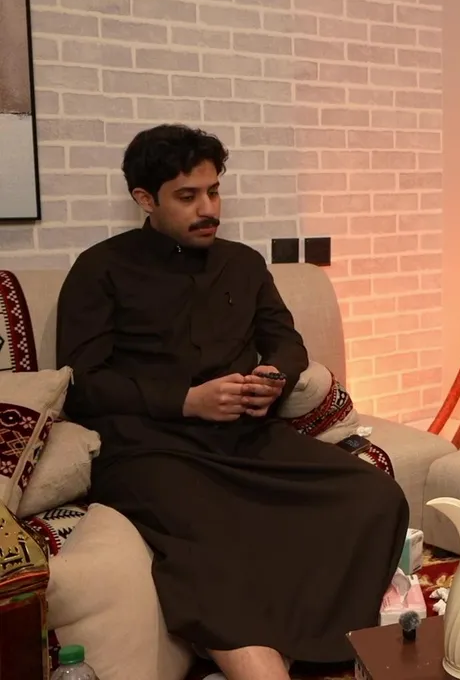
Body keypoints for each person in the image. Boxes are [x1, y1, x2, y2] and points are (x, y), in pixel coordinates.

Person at [56, 124, 409, 680]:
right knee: (214, 535)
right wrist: (186, 401)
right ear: (145, 199)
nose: (208, 208)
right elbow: (83, 384)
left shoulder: (242, 263)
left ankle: (313, 648)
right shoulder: (100, 268)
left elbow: (287, 343)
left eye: (214, 191)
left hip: (245, 439)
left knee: (375, 496)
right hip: (150, 449)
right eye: (187, 196)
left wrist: (274, 377)